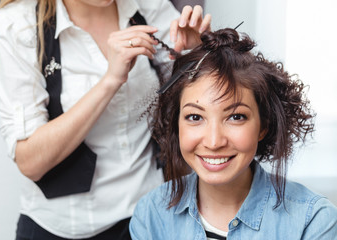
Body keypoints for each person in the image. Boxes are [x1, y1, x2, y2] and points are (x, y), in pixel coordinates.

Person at [0, 0, 211, 239]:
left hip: (149, 219)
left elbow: (191, 103)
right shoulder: (20, 25)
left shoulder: (147, 6)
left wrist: (196, 55)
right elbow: (30, 161)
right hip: (66, 229)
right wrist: (110, 81)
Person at [129, 28, 337, 239]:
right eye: (195, 117)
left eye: (236, 117)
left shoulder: (313, 221)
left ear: (263, 126)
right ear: (176, 124)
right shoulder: (151, 215)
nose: (213, 141)